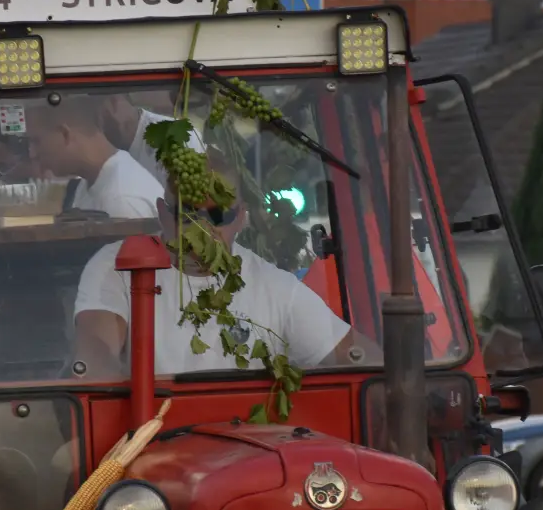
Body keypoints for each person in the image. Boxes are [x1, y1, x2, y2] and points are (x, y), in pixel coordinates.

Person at [73, 147, 373, 377]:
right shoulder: (118, 265)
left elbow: (360, 357)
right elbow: (95, 353)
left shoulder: (275, 288)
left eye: (219, 216)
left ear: (240, 217)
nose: (204, 228)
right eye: (189, 214)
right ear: (163, 213)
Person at [30, 95, 164, 219]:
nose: (33, 153)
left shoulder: (121, 200)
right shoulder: (92, 181)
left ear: (65, 134)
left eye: (36, 141)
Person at [100, 91, 204, 189]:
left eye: (100, 114)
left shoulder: (176, 137)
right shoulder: (105, 152)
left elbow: (188, 193)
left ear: (114, 103)